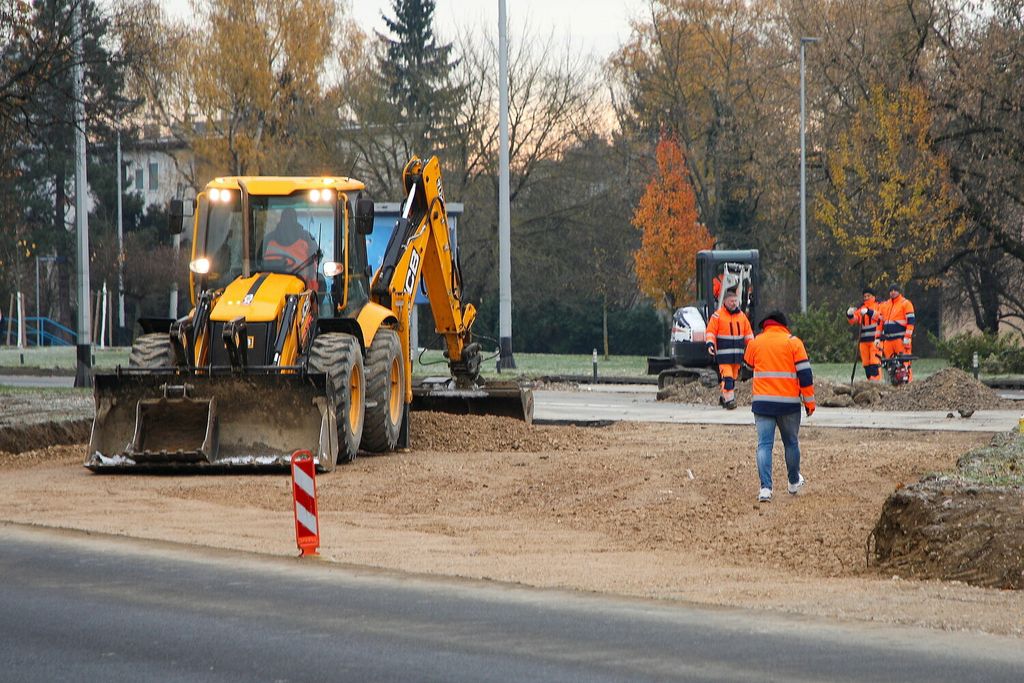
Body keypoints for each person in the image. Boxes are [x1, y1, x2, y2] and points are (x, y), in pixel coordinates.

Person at [741, 310, 814, 503]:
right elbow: (805, 376)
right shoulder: (794, 342)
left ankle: (765, 488)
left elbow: (746, 369)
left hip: (762, 403)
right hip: (789, 404)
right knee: (791, 443)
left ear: (766, 326)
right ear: (784, 325)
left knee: (764, 445)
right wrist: (809, 402)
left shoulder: (755, 343)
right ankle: (793, 481)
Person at [705, 288, 754, 409]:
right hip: (724, 356)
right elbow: (710, 332)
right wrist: (710, 344)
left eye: (735, 301)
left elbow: (748, 335)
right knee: (728, 377)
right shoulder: (717, 316)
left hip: (737, 357)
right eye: (731, 301)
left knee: (732, 378)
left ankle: (724, 397)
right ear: (725, 302)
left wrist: (753, 347)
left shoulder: (742, 317)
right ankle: (730, 401)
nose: (734, 303)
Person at [263, 207, 319, 290]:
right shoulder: (307, 238)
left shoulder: (268, 239)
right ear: (295, 220)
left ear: (281, 219)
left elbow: (258, 263)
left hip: (271, 287)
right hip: (301, 286)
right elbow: (315, 259)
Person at [876, 283, 916, 381]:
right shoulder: (885, 305)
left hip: (900, 340)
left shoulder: (905, 303)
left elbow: (911, 322)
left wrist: (907, 337)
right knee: (890, 365)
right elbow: (880, 323)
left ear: (899, 291)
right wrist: (877, 337)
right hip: (888, 341)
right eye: (891, 290)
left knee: (904, 364)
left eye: (895, 290)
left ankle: (908, 383)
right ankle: (892, 383)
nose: (893, 292)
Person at [846, 287, 883, 382]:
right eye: (865, 296)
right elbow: (854, 320)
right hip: (863, 341)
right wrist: (850, 314)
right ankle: (869, 381)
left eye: (868, 296)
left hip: (875, 340)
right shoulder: (861, 308)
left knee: (874, 362)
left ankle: (876, 382)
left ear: (873, 296)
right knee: (866, 364)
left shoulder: (879, 305)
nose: (866, 298)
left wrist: (869, 312)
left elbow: (880, 317)